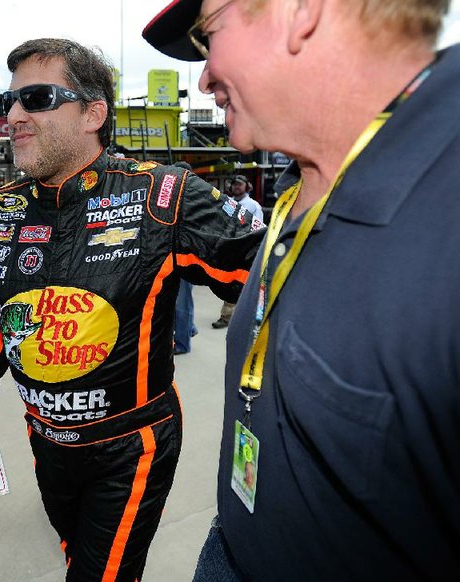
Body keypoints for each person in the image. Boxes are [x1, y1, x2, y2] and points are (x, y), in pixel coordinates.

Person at [143, 0, 459, 579]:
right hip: (232, 546)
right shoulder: (301, 182)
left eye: (207, 35)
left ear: (300, 9)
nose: (205, 75)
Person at [0, 38, 264, 581]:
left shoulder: (163, 196)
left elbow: (262, 273)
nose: (14, 116)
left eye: (37, 98)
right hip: (46, 442)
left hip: (131, 447)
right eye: (10, 101)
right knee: (82, 555)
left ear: (94, 113)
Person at [211, 175, 264, 329]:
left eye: (240, 184)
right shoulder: (228, 202)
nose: (236, 187)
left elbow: (259, 227)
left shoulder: (253, 205)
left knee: (246, 282)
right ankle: (229, 315)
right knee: (231, 282)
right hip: (230, 247)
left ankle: (231, 316)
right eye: (234, 184)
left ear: (247, 186)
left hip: (247, 248)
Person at [172, 162, 198, 354]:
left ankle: (182, 344)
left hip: (184, 257)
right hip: (177, 256)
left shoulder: (190, 198)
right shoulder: (181, 196)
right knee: (180, 300)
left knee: (182, 302)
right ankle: (189, 328)